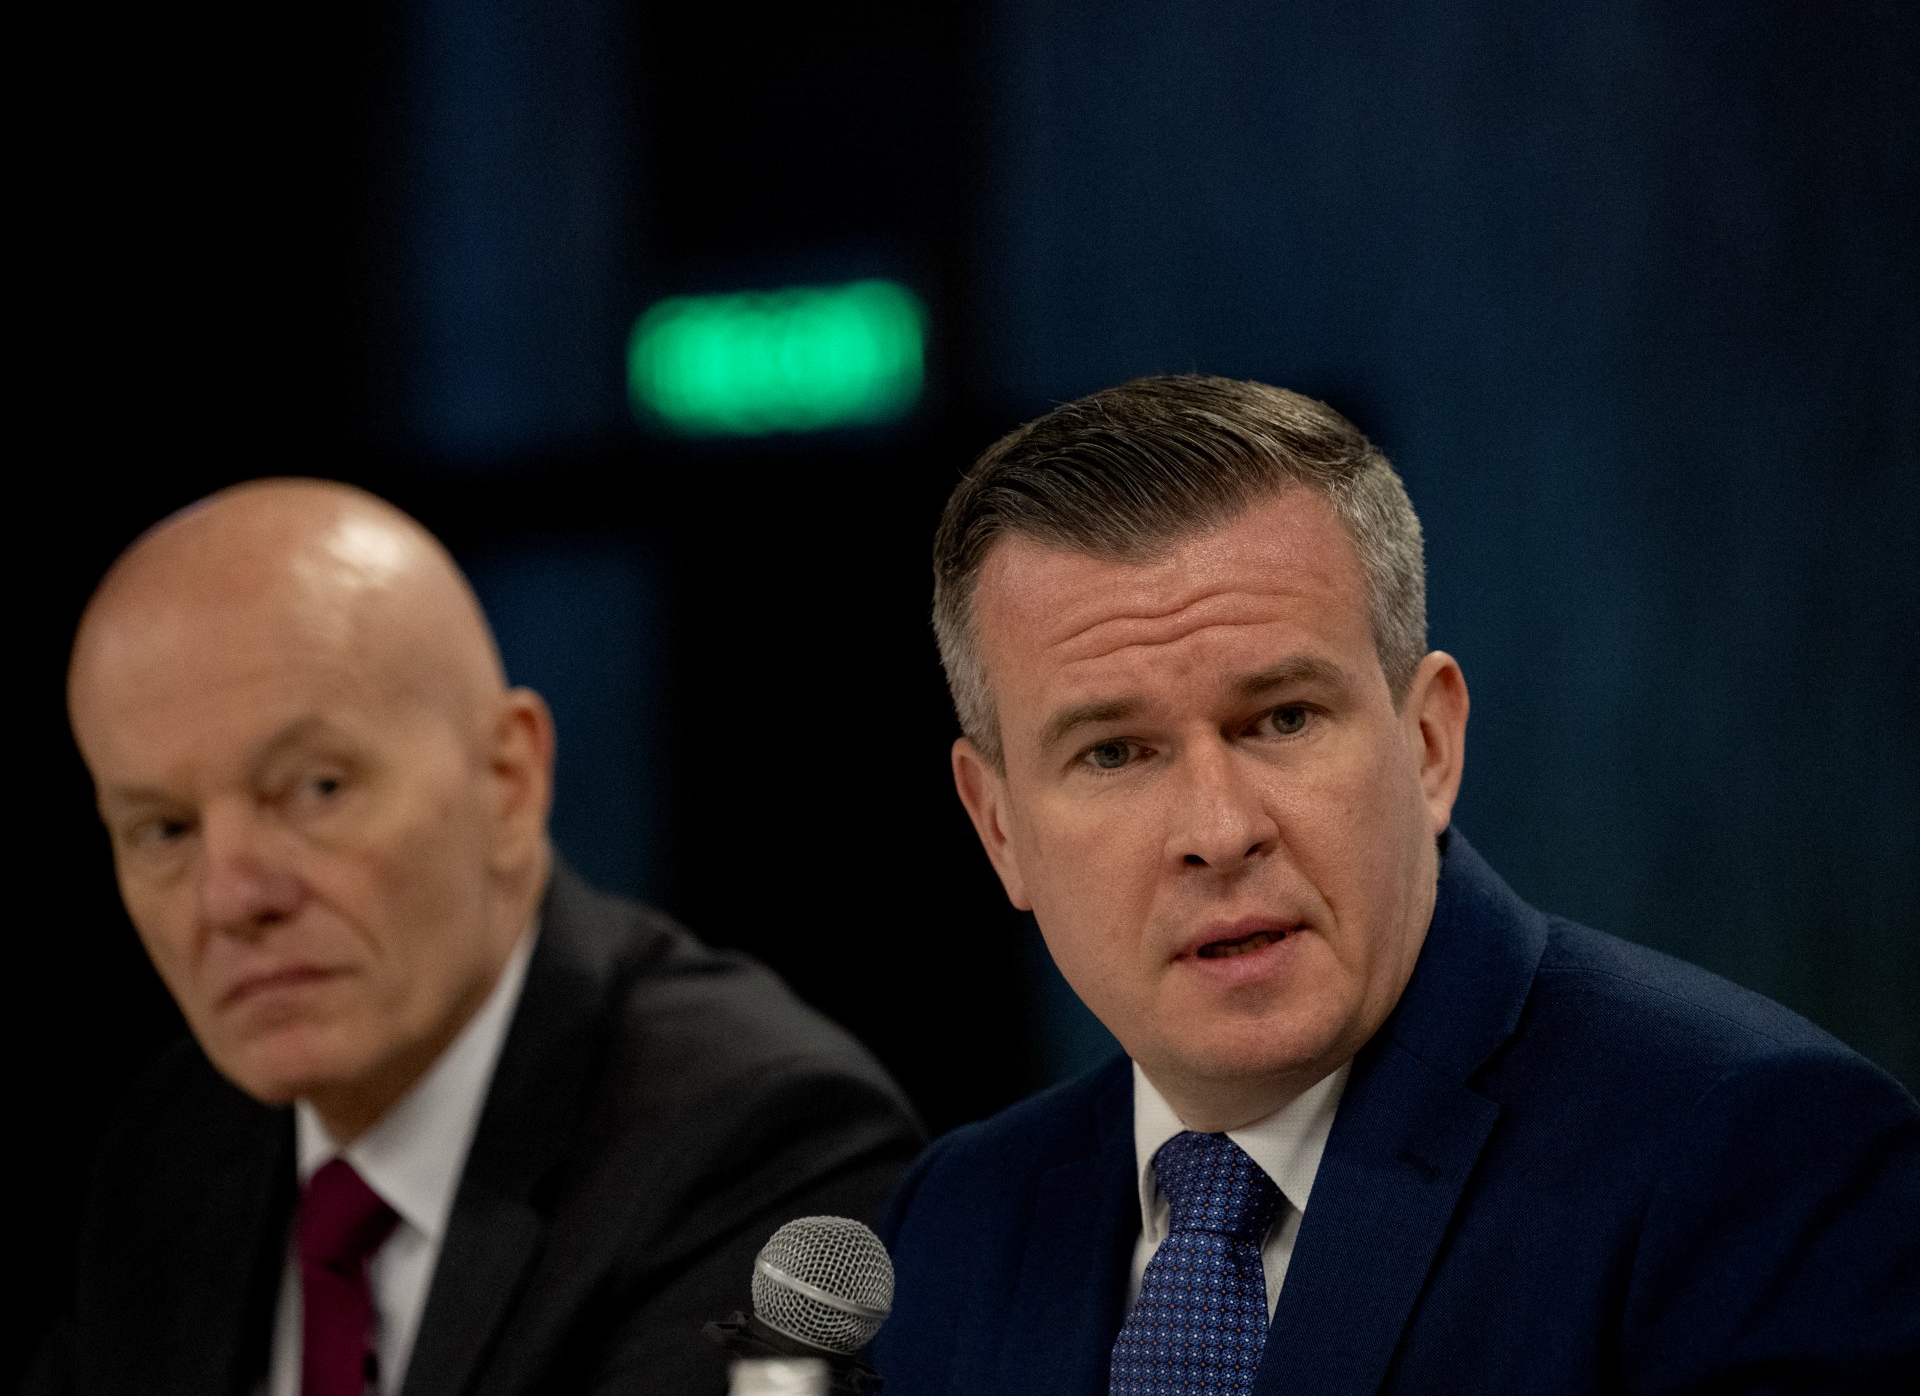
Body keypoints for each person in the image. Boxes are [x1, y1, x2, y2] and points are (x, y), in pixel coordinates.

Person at [870, 376, 1920, 1395]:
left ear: (1429, 744)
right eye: (1113, 753)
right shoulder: (954, 1222)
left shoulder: (1753, 1155)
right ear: (999, 826)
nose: (1220, 832)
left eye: (1282, 719)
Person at [34, 479, 920, 1396]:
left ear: (507, 779)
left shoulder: (762, 1147)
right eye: (163, 830)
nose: (229, 898)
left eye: (316, 789)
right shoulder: (171, 1148)